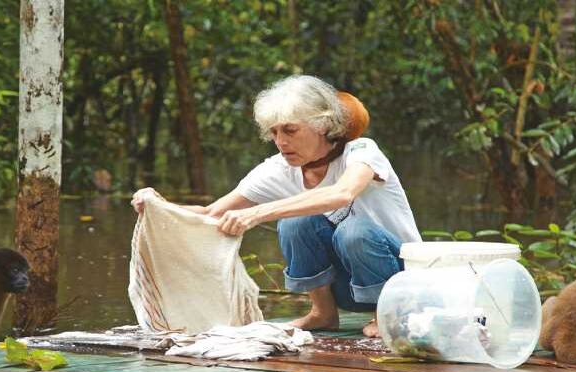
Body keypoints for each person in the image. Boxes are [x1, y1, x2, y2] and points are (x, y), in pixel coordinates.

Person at [132, 75, 420, 337]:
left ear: (322, 125)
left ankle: (386, 317)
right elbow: (211, 214)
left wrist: (258, 212)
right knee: (296, 222)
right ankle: (322, 314)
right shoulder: (278, 169)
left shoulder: (362, 152)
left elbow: (342, 193)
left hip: (404, 285)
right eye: (275, 132)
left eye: (290, 131)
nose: (281, 142)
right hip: (346, 290)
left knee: (353, 230)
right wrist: (159, 206)